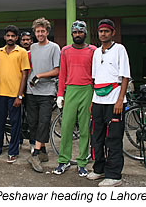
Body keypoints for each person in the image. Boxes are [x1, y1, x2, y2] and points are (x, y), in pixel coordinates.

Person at [86, 19, 130, 187]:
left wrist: (120, 100)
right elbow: (95, 79)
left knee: (113, 138)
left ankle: (114, 175)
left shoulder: (119, 49)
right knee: (96, 137)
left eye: (106, 31)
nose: (103, 34)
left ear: (112, 33)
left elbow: (125, 76)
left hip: (115, 101)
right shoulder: (96, 52)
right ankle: (99, 169)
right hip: (98, 100)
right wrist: (92, 100)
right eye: (100, 31)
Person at [53, 20, 96, 176]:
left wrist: (95, 96)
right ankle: (63, 161)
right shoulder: (65, 50)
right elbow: (62, 74)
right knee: (66, 127)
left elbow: (96, 75)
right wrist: (60, 94)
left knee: (85, 128)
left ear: (85, 33)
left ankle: (82, 162)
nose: (77, 35)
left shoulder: (93, 50)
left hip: (87, 90)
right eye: (75, 32)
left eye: (80, 32)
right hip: (70, 90)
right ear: (72, 34)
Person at [0, 25, 30, 163]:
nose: (10, 38)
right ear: (4, 37)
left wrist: (19, 95)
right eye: (8, 36)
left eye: (13, 36)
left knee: (15, 124)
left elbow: (24, 75)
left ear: (16, 38)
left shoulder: (22, 52)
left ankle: (13, 152)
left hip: (14, 95)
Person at [26, 18, 60, 173]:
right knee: (33, 122)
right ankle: (43, 151)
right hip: (31, 90)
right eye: (37, 31)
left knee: (44, 121)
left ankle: (35, 153)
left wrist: (39, 76)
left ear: (47, 32)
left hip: (47, 91)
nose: (40, 34)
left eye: (42, 31)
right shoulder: (32, 47)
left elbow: (57, 70)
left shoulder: (54, 47)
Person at [19, 31, 35, 153]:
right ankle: (18, 141)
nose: (25, 41)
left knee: (32, 117)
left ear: (31, 41)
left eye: (27, 39)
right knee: (18, 116)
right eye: (23, 39)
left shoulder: (35, 53)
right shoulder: (18, 52)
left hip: (31, 89)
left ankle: (33, 142)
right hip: (19, 87)